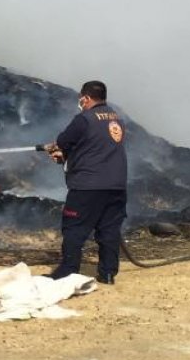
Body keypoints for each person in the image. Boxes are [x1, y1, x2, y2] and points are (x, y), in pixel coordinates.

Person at [44, 80, 128, 284]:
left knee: (74, 228)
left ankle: (67, 271)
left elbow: (63, 142)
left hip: (88, 186)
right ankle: (107, 274)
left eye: (81, 97)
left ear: (87, 98)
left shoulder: (84, 119)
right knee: (109, 230)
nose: (80, 101)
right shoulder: (116, 118)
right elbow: (94, 146)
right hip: (117, 186)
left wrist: (57, 151)